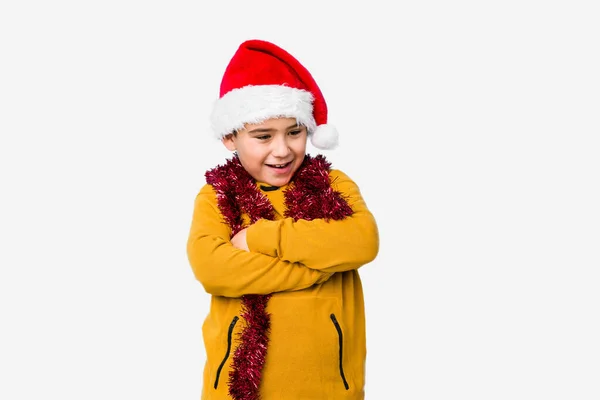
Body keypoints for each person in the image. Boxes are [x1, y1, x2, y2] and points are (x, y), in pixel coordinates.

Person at [186, 39, 379, 400]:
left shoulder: (333, 186)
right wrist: (320, 268)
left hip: (329, 387)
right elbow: (213, 269)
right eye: (263, 136)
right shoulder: (217, 196)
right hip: (239, 387)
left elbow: (361, 241)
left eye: (295, 132)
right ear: (230, 137)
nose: (283, 149)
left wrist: (258, 238)